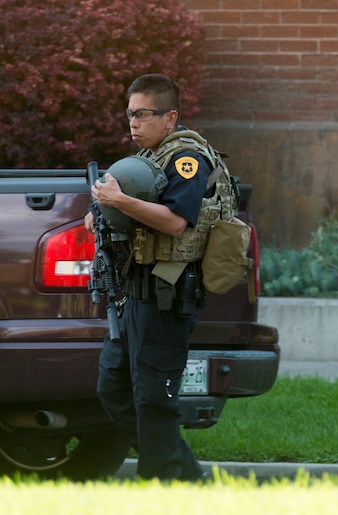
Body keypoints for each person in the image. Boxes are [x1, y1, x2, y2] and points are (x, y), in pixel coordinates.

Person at [85, 74, 215, 481]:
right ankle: (189, 480)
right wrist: (104, 212)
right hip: (132, 298)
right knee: (114, 389)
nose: (133, 123)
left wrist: (119, 200)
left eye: (143, 114)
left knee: (153, 401)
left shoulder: (186, 160)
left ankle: (163, 491)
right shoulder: (148, 162)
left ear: (170, 117)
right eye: (130, 114)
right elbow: (131, 215)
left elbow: (176, 222)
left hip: (165, 298)